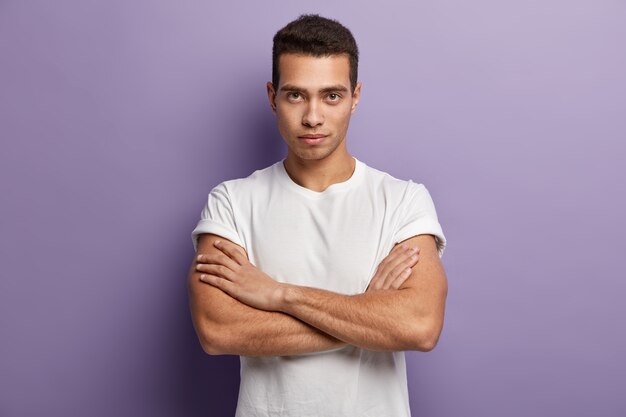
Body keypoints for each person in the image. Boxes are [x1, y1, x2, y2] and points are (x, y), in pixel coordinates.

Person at [187, 14, 448, 417]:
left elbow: (419, 326)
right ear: (272, 96)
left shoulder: (403, 201)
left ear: (355, 96)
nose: (312, 116)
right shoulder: (232, 203)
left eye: (331, 96)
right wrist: (366, 314)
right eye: (295, 95)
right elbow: (218, 330)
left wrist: (280, 295)